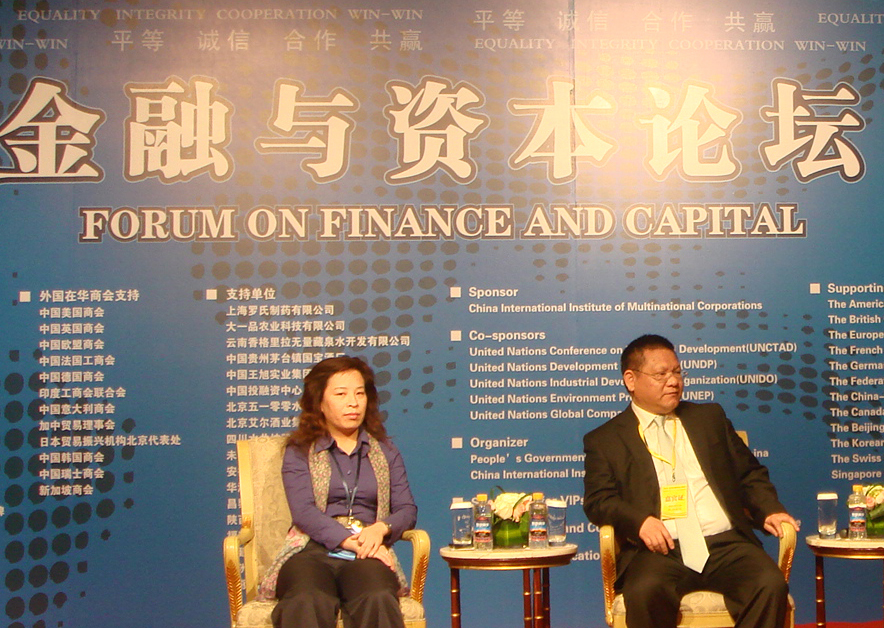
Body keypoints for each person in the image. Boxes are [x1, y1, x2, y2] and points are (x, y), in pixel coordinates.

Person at [582, 334, 799, 628]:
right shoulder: (606, 439)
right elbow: (599, 500)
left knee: (769, 584)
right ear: (631, 380)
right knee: (644, 591)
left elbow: (749, 473)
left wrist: (769, 509)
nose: (673, 381)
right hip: (660, 550)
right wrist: (639, 522)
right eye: (661, 374)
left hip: (726, 543)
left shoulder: (708, 418)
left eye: (677, 372)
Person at [259, 355, 418, 628]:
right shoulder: (300, 451)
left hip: (366, 551)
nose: (353, 403)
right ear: (319, 402)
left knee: (378, 597)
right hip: (311, 550)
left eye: (360, 393)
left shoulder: (385, 451)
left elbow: (407, 509)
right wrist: (346, 540)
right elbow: (303, 511)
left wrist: (380, 529)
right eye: (341, 394)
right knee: (307, 598)